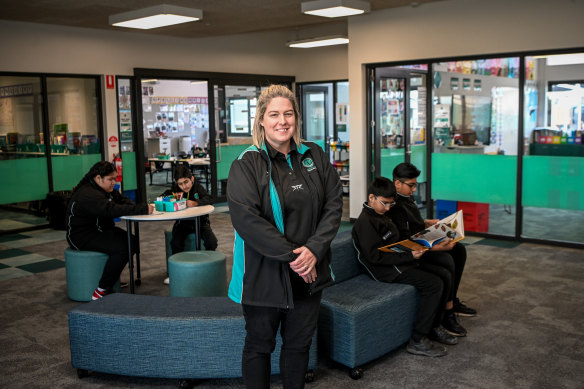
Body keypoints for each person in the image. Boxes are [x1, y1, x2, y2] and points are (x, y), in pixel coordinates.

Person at [227, 84, 343, 388]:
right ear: (261, 120)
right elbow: (248, 221)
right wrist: (297, 257)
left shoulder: (314, 154)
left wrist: (314, 251)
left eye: (288, 114)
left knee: (298, 346)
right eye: (274, 114)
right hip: (263, 275)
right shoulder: (247, 163)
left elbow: (333, 205)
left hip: (308, 273)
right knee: (259, 347)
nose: (283, 121)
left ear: (296, 118)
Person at [352, 177, 458, 357]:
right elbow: (375, 257)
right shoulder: (365, 222)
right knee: (434, 283)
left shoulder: (381, 215)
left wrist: (416, 246)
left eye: (390, 205)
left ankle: (434, 325)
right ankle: (418, 339)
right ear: (371, 197)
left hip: (399, 260)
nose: (387, 208)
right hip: (385, 270)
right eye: (384, 204)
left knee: (444, 273)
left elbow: (395, 242)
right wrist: (409, 255)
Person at [389, 162, 477, 322]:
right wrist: (435, 247)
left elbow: (411, 222)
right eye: (411, 185)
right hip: (413, 249)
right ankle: (447, 310)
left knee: (459, 250)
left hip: (422, 237)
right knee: (446, 259)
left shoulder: (407, 197)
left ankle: (452, 300)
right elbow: (404, 237)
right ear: (397, 183)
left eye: (415, 185)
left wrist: (425, 222)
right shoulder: (394, 205)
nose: (414, 189)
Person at [66, 161, 153, 300]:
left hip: (99, 230)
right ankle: (102, 289)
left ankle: (113, 276)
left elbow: (121, 200)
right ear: (98, 178)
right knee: (123, 247)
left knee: (132, 241)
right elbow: (110, 210)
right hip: (81, 236)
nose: (113, 182)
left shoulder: (105, 189)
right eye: (110, 179)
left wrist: (132, 206)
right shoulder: (88, 194)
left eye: (115, 178)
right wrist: (141, 209)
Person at [160, 164, 218, 284]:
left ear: (191, 178)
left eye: (186, 182)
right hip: (182, 223)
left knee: (212, 241)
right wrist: (165, 198)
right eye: (180, 184)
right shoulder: (176, 189)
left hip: (201, 222)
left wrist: (196, 203)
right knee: (176, 243)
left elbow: (209, 199)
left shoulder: (198, 188)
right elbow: (165, 195)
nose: (183, 186)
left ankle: (207, 268)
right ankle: (175, 273)